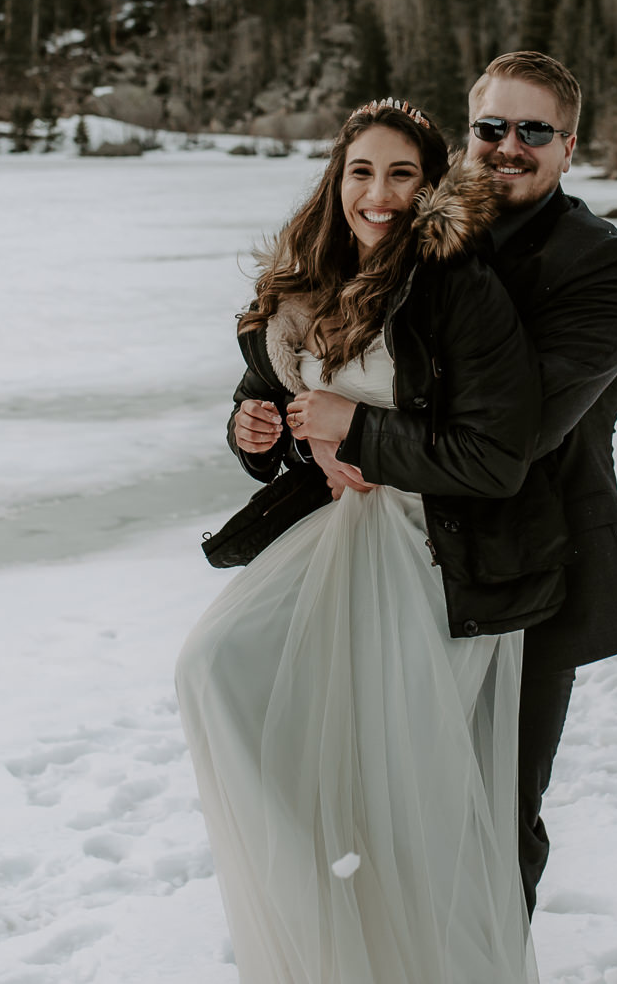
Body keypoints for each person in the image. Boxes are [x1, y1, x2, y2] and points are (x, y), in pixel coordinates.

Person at [176, 98, 557, 983]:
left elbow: (497, 456)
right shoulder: (308, 281)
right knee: (214, 669)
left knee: (405, 797)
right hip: (338, 539)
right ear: (335, 180)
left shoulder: (455, 283)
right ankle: (332, 946)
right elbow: (270, 399)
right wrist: (253, 434)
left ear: (429, 187)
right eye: (361, 172)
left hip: (435, 551)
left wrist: (354, 430)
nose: (378, 194)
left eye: (400, 174)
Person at [286, 51, 617, 913]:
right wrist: (276, 422)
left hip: (530, 567)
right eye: (491, 126)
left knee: (492, 815)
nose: (508, 145)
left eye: (534, 130)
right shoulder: (413, 223)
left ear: (570, 146)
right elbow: (314, 327)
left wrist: (357, 431)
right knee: (377, 799)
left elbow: (512, 439)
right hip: (398, 555)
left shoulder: (603, 264)